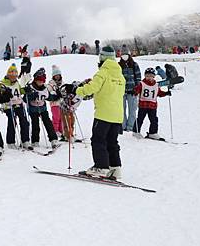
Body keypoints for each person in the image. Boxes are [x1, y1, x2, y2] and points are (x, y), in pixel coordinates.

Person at [64, 46, 125, 179]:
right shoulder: (120, 75)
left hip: (103, 113)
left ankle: (101, 167)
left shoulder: (103, 72)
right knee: (112, 141)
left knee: (98, 140)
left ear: (102, 58)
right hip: (117, 115)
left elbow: (92, 88)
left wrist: (76, 90)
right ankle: (115, 168)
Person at [0, 63, 32, 150]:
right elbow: (0, 95)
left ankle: (25, 141)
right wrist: (5, 93)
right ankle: (10, 141)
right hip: (9, 105)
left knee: (24, 121)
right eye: (12, 75)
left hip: (18, 104)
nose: (14, 77)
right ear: (8, 75)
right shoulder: (2, 83)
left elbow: (19, 91)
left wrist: (25, 90)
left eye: (15, 75)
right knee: (12, 121)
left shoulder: (16, 82)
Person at [25, 68, 59, 148]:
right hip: (33, 109)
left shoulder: (44, 88)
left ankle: (53, 139)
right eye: (39, 80)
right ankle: (35, 141)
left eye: (42, 81)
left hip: (42, 108)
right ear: (35, 80)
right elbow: (25, 99)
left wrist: (57, 96)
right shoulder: (30, 87)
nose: (41, 82)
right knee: (35, 125)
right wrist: (31, 96)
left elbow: (49, 97)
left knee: (48, 123)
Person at [133, 68, 171, 139]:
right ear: (145, 76)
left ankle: (153, 133)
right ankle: (136, 131)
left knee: (154, 120)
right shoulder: (142, 83)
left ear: (154, 76)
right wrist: (135, 92)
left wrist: (166, 93)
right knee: (140, 119)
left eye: (151, 76)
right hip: (143, 105)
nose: (149, 77)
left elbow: (159, 93)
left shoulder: (156, 85)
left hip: (152, 106)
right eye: (147, 76)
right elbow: (137, 89)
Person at [118, 49, 141, 133]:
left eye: (126, 55)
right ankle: (123, 125)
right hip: (122, 91)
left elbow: (138, 77)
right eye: (122, 55)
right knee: (121, 109)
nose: (124, 57)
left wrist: (137, 89)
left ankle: (130, 126)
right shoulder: (118, 65)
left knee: (132, 110)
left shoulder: (134, 65)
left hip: (132, 91)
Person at [47, 65, 63, 138]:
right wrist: (54, 94)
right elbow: (47, 92)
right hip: (54, 103)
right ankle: (55, 131)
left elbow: (64, 90)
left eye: (58, 75)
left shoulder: (62, 83)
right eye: (55, 75)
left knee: (61, 117)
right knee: (56, 117)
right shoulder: (51, 83)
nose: (57, 77)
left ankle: (61, 130)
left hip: (61, 103)